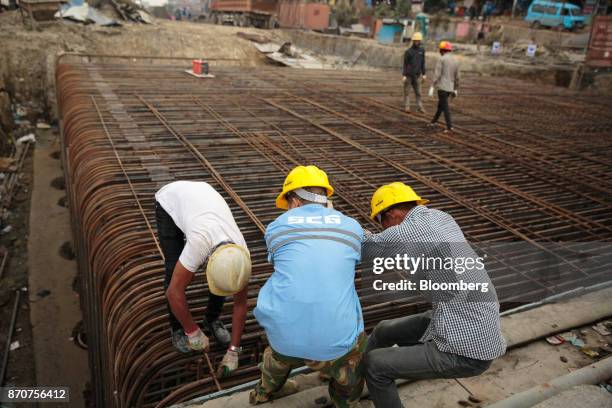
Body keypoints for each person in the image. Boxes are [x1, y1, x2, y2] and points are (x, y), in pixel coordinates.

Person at [361, 182, 506, 408]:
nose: (384, 230)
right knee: (383, 330)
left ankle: (372, 375)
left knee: (376, 365)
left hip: (465, 351)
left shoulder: (410, 230)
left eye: (382, 224)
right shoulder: (441, 217)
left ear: (391, 214)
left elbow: (366, 247)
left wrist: (335, 223)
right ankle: (354, 376)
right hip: (463, 320)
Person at [250, 165, 366, 407]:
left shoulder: (276, 227)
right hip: (338, 341)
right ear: (326, 198)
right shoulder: (352, 227)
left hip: (284, 337)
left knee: (280, 340)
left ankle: (264, 391)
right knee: (354, 346)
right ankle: (345, 396)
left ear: (293, 201)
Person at [155, 180, 251, 377]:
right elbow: (174, 292)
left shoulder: (242, 257)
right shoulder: (199, 243)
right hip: (171, 202)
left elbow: (240, 305)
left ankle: (211, 319)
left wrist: (234, 351)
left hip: (203, 198)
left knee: (225, 280)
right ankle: (178, 329)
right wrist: (193, 331)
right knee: (174, 270)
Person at [429, 41, 460, 132]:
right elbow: (457, 77)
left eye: (440, 49)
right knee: (441, 106)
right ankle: (433, 122)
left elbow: (437, 74)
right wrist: (455, 89)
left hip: (442, 87)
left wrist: (432, 86)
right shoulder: (456, 60)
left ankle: (449, 126)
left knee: (445, 107)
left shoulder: (441, 59)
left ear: (442, 50)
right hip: (450, 88)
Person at [402, 32, 427, 113]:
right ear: (413, 41)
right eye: (415, 40)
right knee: (407, 92)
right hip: (409, 75)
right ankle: (407, 107)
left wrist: (424, 74)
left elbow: (423, 63)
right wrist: (404, 75)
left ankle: (420, 107)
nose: (417, 42)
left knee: (418, 93)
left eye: (418, 40)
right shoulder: (408, 51)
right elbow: (405, 64)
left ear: (420, 41)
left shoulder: (422, 51)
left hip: (417, 75)